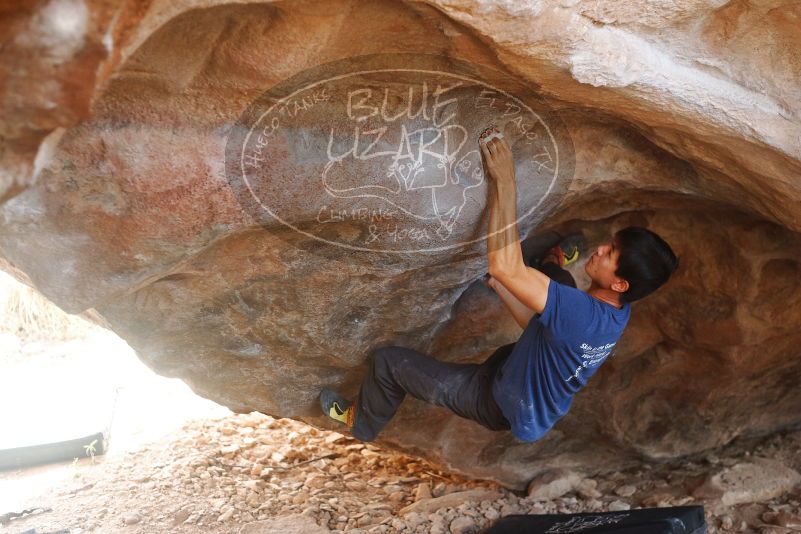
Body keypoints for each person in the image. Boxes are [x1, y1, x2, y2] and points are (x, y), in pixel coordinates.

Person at [319, 125, 679, 443]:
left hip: (494, 399)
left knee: (388, 363)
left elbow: (504, 264)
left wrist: (504, 181)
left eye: (611, 252)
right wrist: (504, 288)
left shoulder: (580, 314)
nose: (601, 248)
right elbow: (544, 329)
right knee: (557, 281)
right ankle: (554, 259)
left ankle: (360, 420)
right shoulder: (616, 312)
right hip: (523, 377)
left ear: (620, 284)